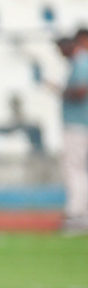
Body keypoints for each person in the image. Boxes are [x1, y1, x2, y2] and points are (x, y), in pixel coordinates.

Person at [57, 28, 88, 233]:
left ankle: (77, 214)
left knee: (75, 168)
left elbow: (81, 90)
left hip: (79, 124)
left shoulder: (82, 61)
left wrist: (59, 91)